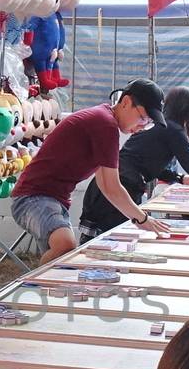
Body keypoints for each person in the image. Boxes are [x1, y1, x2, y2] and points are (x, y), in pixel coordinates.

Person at [10, 80, 170, 263]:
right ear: (125, 102)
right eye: (142, 117)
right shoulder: (105, 124)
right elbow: (112, 187)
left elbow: (105, 183)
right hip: (32, 197)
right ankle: (31, 289)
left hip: (53, 199)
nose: (143, 125)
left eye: (149, 122)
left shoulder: (104, 120)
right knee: (65, 246)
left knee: (63, 260)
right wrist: (142, 220)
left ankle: (41, 289)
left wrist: (139, 219)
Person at [80, 84, 189, 236]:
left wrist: (179, 178)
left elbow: (145, 163)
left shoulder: (156, 126)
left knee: (95, 242)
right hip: (121, 190)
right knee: (112, 243)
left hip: (106, 188)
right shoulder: (174, 131)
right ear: (187, 112)